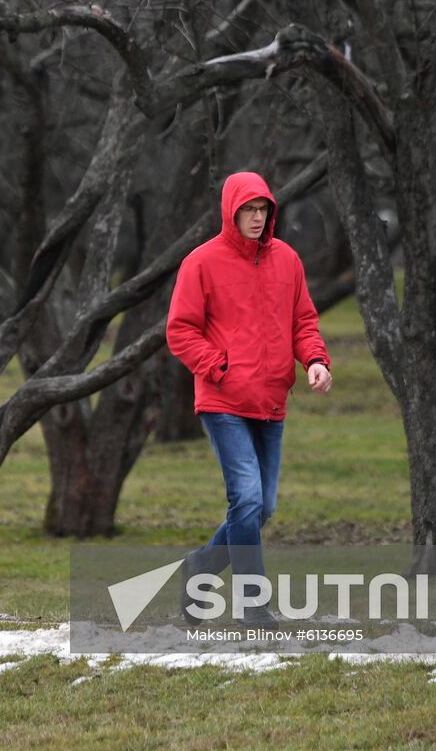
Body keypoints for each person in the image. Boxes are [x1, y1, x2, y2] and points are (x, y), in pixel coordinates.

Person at [166, 172, 332, 630]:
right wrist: (220, 368)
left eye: (263, 210)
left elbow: (304, 322)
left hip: (271, 401)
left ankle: (200, 567)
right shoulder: (201, 262)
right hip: (222, 401)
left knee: (264, 506)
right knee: (246, 498)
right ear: (231, 211)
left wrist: (315, 360)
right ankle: (252, 604)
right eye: (248, 211)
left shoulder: (288, 260)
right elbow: (179, 330)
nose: (257, 219)